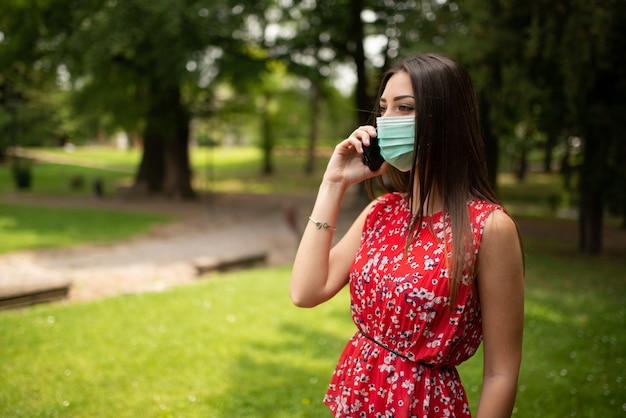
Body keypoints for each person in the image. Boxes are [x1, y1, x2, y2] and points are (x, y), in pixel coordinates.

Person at [290, 53, 524, 417]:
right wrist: (332, 182)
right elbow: (305, 291)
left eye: (405, 108)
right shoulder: (381, 212)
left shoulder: (489, 227)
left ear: (446, 120)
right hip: (358, 400)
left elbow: (501, 372)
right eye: (383, 109)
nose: (386, 122)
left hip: (423, 406)